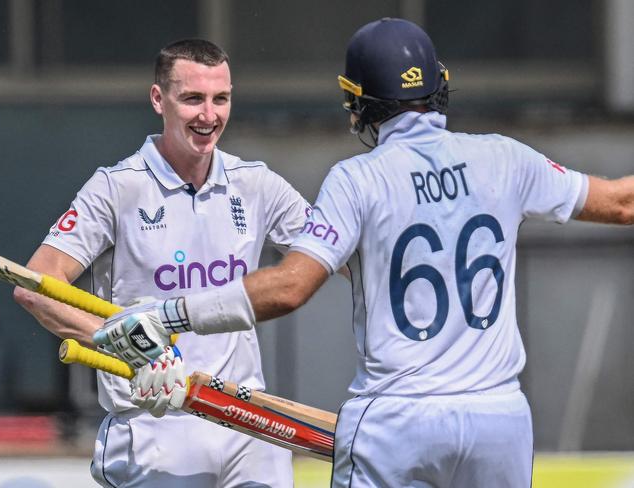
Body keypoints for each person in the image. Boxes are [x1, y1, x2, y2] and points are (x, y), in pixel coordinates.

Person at [94, 18, 634, 488]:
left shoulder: (359, 179)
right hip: (500, 418)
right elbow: (623, 202)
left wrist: (165, 316)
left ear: (359, 100)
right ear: (440, 86)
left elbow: (289, 287)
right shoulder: (506, 158)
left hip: (397, 420)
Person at [14, 38, 309, 487]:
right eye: (192, 99)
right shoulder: (116, 188)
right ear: (159, 99)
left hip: (246, 421)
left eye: (221, 99)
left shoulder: (257, 184)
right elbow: (36, 285)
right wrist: (120, 342)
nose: (209, 116)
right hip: (155, 418)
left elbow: (343, 257)